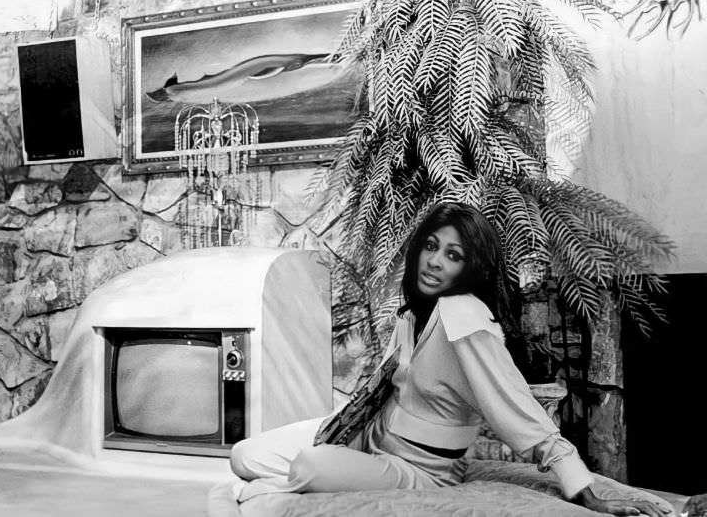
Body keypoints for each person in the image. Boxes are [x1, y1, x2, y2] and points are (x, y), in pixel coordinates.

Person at [230, 202, 670, 516]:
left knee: (309, 465)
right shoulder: (413, 314)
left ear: (471, 267)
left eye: (453, 255)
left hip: (418, 471)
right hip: (365, 438)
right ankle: (301, 478)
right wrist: (341, 432)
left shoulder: (464, 318)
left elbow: (515, 405)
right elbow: (381, 394)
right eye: (431, 246)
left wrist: (582, 486)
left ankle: (282, 492)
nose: (435, 261)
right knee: (246, 455)